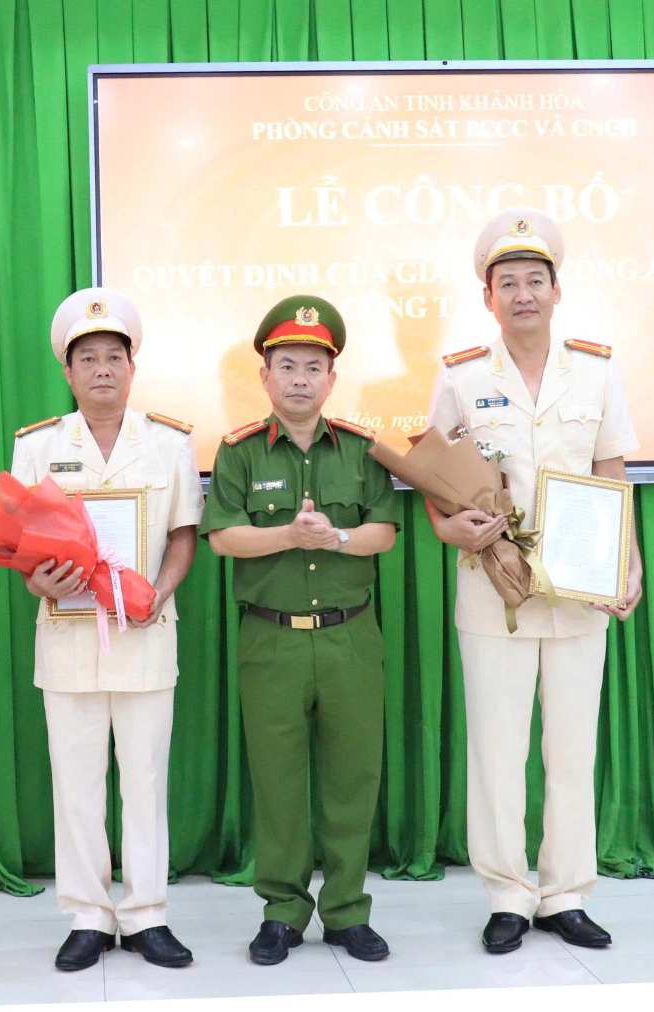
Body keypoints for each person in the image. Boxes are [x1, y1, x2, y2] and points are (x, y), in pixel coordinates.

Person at [414, 209, 643, 954]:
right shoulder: (461, 376)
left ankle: (566, 893)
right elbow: (434, 479)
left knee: (572, 747)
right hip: (493, 587)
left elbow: (612, 471)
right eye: (506, 282)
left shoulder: (598, 372)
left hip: (578, 589)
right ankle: (508, 895)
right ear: (488, 296)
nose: (521, 294)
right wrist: (450, 529)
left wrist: (628, 563)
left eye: (534, 281)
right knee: (498, 745)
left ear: (556, 290)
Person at [200, 295, 402, 966]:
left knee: (353, 776)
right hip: (271, 639)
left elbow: (384, 534)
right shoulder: (239, 454)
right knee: (278, 780)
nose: (299, 379)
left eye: (313, 367)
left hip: (350, 638)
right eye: (285, 365)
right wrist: (288, 534)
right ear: (265, 376)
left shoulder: (363, 451)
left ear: (331, 378)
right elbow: (224, 538)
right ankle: (283, 912)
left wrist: (335, 537)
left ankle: (347, 911)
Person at [11, 287, 202, 972]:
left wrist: (162, 590)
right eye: (86, 358)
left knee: (145, 780)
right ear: (67, 372)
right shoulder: (37, 446)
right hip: (67, 638)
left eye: (113, 356)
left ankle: (147, 914)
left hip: (146, 633)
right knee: (77, 782)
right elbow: (23, 548)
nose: (100, 369)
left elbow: (184, 534)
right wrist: (39, 580)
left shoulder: (170, 443)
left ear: (132, 366)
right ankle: (89, 916)